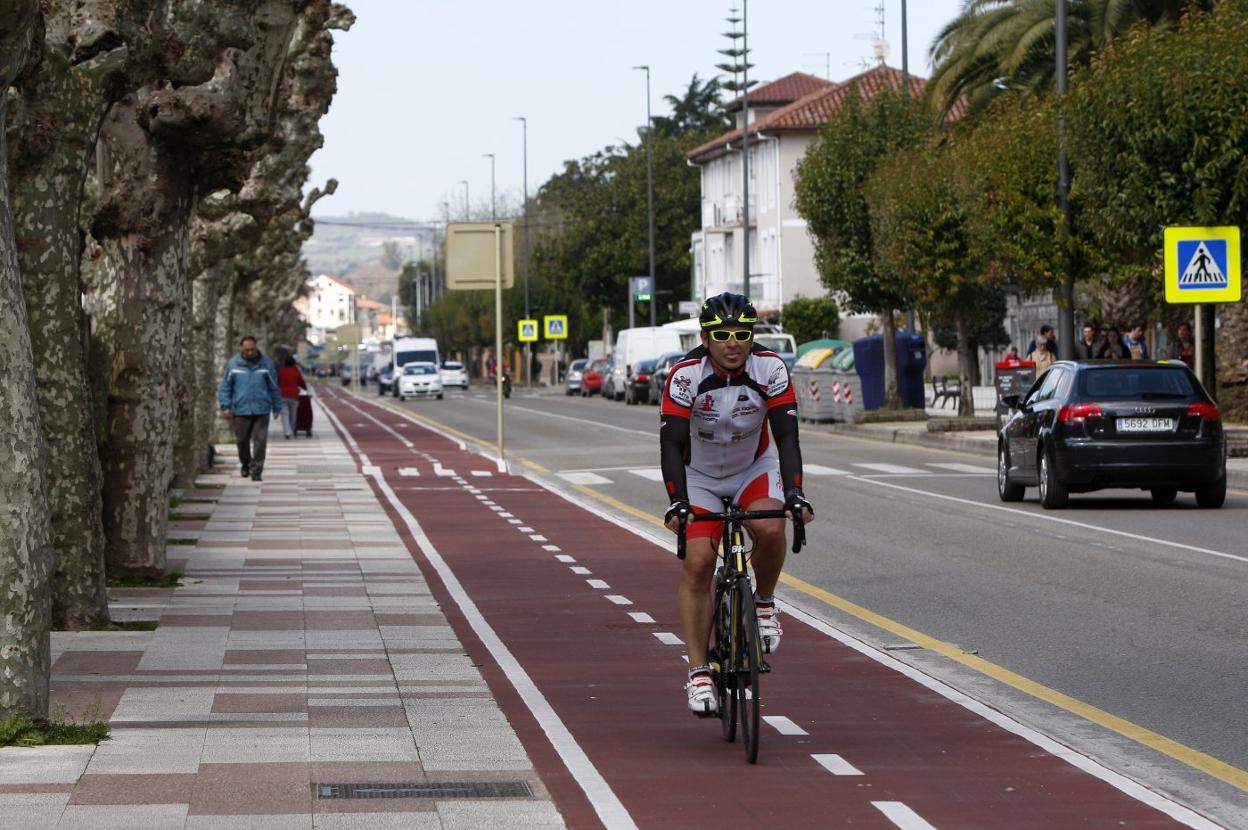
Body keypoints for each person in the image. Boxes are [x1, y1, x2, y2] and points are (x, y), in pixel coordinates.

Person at [659, 293, 814, 716]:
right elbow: (671, 444)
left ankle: (763, 602)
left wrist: (795, 492)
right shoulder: (685, 376)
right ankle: (699, 672)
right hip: (699, 475)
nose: (733, 343)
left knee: (770, 528)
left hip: (752, 466)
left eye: (742, 334)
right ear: (706, 338)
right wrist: (678, 502)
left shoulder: (771, 369)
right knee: (697, 563)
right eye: (723, 335)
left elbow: (787, 437)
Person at [218, 336, 281, 482]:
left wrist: (277, 406)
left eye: (252, 349)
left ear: (256, 347)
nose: (249, 352)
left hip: (262, 409)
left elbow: (274, 386)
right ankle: (245, 463)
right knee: (242, 440)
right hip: (241, 409)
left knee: (260, 441)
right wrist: (225, 405)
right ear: (241, 348)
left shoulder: (266, 364)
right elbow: (225, 387)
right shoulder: (233, 364)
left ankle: (257, 470)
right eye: (246, 350)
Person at [278, 355, 308, 438]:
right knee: (293, 415)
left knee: (284, 414)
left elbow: (277, 381)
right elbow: (301, 381)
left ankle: (287, 431)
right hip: (294, 396)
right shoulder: (296, 371)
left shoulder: (281, 371)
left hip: (282, 395)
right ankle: (290, 430)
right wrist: (305, 388)